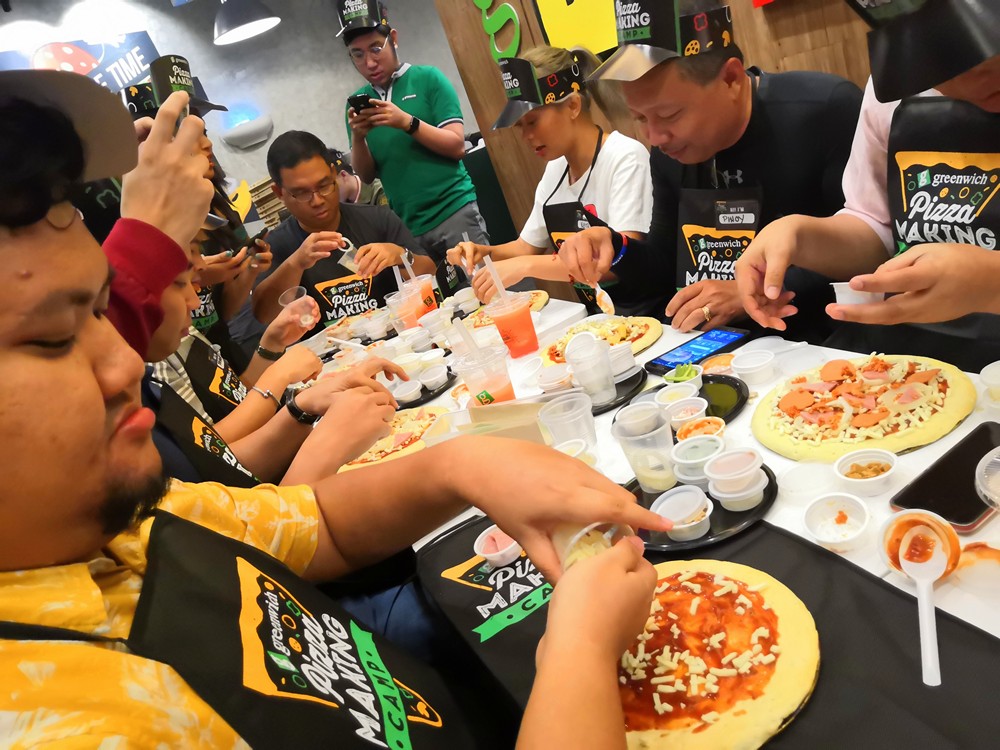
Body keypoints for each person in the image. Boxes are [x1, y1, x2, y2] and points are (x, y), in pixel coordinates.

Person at [0, 72, 670, 748]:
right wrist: (579, 648)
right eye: (52, 339)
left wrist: (468, 465)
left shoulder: (129, 518)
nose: (123, 364)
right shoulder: (56, 720)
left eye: (99, 311)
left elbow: (316, 523)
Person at [557, 0, 862, 342]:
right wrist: (616, 246)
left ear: (731, 78)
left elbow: (871, 248)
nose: (655, 138)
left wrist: (750, 291)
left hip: (827, 341)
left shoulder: (823, 111)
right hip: (713, 347)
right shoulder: (667, 153)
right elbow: (663, 266)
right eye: (640, 118)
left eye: (670, 115)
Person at [734, 0, 1000, 371]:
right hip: (919, 363)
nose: (967, 82)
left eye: (982, 55)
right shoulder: (893, 87)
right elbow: (876, 226)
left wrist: (991, 280)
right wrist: (799, 234)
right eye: (939, 64)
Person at [446, 45, 664, 317]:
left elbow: (616, 262)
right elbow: (525, 246)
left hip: (648, 314)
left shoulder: (624, 156)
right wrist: (482, 252)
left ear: (573, 105)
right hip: (601, 319)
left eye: (532, 121)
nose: (525, 135)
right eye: (519, 126)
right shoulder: (555, 169)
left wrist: (525, 267)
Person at [339, 0, 490, 265]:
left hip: (454, 210)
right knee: (438, 303)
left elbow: (457, 147)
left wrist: (407, 122)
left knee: (485, 289)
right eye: (358, 54)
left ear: (393, 38)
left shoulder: (429, 79)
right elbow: (366, 175)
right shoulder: (357, 103)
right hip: (407, 228)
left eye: (376, 48)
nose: (369, 62)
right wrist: (359, 138)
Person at [251, 129, 436, 333]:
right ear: (279, 193)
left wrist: (401, 256)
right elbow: (264, 315)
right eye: (301, 193)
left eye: (324, 185)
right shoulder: (275, 246)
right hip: (327, 357)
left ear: (334, 174)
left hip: (397, 338)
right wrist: (296, 263)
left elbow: (430, 273)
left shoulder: (377, 218)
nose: (318, 200)